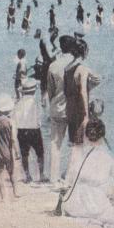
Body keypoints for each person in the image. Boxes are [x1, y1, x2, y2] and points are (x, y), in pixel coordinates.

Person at [58, 118, 114, 228]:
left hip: (74, 206)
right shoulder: (106, 155)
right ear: (102, 136)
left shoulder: (76, 151)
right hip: (97, 206)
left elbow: (68, 179)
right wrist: (112, 189)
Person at [64, 38, 100, 179]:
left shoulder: (67, 67)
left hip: (70, 107)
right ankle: (76, 174)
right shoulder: (83, 69)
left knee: (74, 141)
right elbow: (83, 92)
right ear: (84, 52)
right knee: (81, 143)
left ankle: (72, 173)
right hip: (79, 108)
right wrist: (86, 114)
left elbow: (67, 90)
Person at [46, 35, 76, 184]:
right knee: (75, 144)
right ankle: (69, 176)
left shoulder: (54, 65)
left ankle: (53, 177)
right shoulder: (77, 64)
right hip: (73, 109)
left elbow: (49, 89)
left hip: (56, 107)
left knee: (55, 143)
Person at [13, 77, 46, 183]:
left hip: (22, 130)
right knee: (40, 153)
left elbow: (15, 118)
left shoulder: (18, 103)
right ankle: (41, 175)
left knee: (24, 154)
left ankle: (27, 175)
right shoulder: (35, 102)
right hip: (34, 130)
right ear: (34, 91)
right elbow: (40, 117)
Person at [0, 94, 19, 201]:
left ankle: (3, 197)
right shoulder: (10, 121)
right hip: (8, 151)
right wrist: (17, 152)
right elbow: (13, 139)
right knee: (12, 173)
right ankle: (15, 193)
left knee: (0, 175)